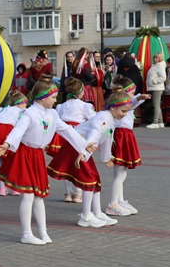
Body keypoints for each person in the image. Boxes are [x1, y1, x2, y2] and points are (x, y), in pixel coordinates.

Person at [0, 78, 96, 245]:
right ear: (42, 97)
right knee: (28, 195)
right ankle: (26, 233)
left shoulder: (53, 114)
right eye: (53, 97)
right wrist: (7, 143)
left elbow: (67, 131)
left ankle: (43, 231)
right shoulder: (30, 113)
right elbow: (19, 129)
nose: (56, 100)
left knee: (39, 196)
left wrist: (84, 145)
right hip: (25, 154)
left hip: (38, 156)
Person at [49, 90, 133, 228]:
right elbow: (95, 133)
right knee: (89, 180)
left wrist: (106, 157)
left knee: (95, 179)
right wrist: (83, 152)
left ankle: (97, 212)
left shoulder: (110, 119)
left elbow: (107, 138)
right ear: (113, 107)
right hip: (77, 148)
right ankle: (85, 216)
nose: (124, 115)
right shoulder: (103, 118)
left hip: (82, 148)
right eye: (123, 111)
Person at [104, 78, 150, 217]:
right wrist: (139, 97)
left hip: (125, 136)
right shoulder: (122, 104)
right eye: (131, 92)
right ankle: (113, 204)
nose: (133, 95)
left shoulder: (124, 104)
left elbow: (133, 102)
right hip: (121, 137)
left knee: (121, 172)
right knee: (121, 173)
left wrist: (139, 97)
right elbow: (132, 102)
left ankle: (120, 200)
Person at [51, 77, 95, 203]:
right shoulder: (86, 106)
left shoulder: (60, 106)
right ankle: (78, 193)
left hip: (63, 136)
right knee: (78, 162)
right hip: (78, 136)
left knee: (66, 162)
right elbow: (94, 120)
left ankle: (68, 193)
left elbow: (57, 121)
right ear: (81, 93)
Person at [145, 53, 166, 128]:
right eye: (154, 58)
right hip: (154, 87)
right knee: (157, 105)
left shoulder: (159, 66)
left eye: (156, 58)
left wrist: (154, 81)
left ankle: (155, 122)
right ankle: (160, 121)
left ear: (160, 59)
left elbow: (163, 77)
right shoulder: (155, 66)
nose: (155, 59)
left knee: (155, 105)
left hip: (157, 88)